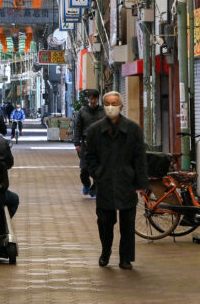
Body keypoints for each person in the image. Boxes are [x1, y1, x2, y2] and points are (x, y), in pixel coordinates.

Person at [83, 91, 148, 270]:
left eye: (115, 103)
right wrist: (97, 174)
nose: (111, 107)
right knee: (104, 221)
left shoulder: (133, 129)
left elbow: (140, 158)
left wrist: (141, 183)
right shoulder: (95, 130)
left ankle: (126, 258)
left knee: (128, 223)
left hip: (126, 183)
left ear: (121, 106)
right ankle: (106, 252)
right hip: (104, 182)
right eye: (108, 103)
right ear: (104, 106)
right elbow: (89, 157)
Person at [73, 89, 105, 197]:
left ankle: (94, 190)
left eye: (94, 98)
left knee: (99, 169)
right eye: (90, 98)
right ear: (88, 99)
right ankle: (86, 184)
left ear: (97, 99)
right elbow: (77, 128)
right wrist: (77, 144)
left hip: (100, 144)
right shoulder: (82, 112)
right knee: (84, 169)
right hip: (86, 144)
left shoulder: (103, 111)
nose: (92, 101)